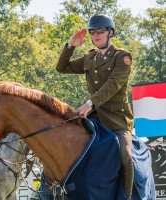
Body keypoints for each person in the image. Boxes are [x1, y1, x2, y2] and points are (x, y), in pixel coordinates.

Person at [56, 14, 134, 199]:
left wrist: (89, 103)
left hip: (116, 118)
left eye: (100, 31)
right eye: (93, 32)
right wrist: (70, 45)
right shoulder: (89, 57)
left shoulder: (122, 56)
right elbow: (62, 67)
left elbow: (113, 84)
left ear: (110, 33)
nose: (96, 35)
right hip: (94, 116)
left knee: (126, 155)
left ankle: (127, 195)